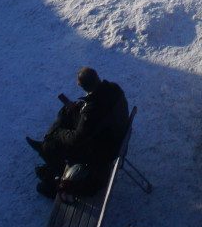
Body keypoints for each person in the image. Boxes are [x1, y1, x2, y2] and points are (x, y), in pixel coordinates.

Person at [27, 67, 130, 200]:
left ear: (79, 85)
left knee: (51, 146)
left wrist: (59, 133)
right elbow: (98, 112)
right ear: (97, 77)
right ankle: (48, 143)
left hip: (102, 152)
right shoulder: (114, 88)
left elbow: (77, 139)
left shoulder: (91, 111)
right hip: (113, 137)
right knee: (65, 112)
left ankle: (53, 179)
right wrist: (80, 109)